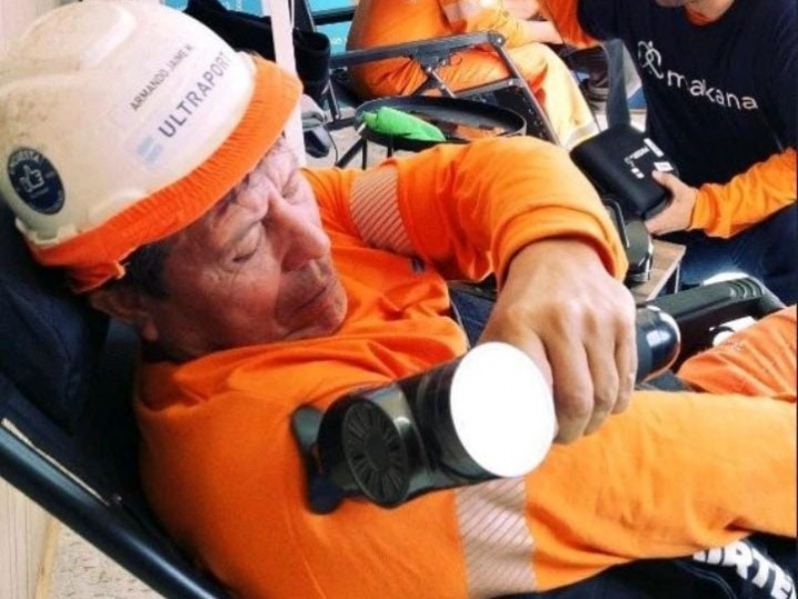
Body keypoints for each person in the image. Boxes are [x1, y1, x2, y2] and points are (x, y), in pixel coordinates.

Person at [0, 3, 794, 599]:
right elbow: (672, 469)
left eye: (288, 181)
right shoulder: (306, 474)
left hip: (630, 416)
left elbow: (470, 177)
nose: (309, 244)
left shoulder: (272, 210)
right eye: (245, 247)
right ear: (125, 301)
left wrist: (556, 251)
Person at [539, 0, 798, 304]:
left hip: (766, 218)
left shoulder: (785, 22)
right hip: (666, 201)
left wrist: (703, 208)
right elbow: (575, 18)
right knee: (596, 294)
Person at [345, 0, 600, 149]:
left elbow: (480, 14)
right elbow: (492, 30)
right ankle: (581, 157)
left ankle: (515, 150)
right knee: (540, 60)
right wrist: (558, 32)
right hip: (397, 74)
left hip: (375, 67)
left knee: (518, 55)